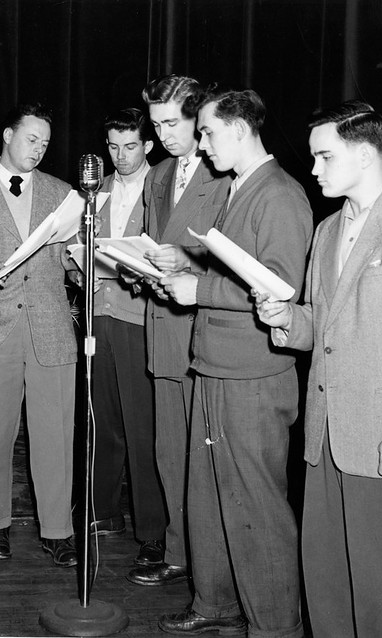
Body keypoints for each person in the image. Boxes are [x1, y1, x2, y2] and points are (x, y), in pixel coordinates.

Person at [255, 100, 382, 638]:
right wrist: (285, 319)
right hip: (326, 439)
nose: (315, 169)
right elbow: (323, 328)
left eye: (325, 157)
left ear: (367, 153)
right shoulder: (328, 230)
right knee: (329, 585)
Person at [158, 86, 312, 637]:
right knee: (208, 499)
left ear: (241, 130)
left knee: (256, 508)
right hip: (216, 366)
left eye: (208, 132)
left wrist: (195, 289)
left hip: (251, 376)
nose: (200, 145)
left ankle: (275, 624)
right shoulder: (239, 186)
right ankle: (216, 602)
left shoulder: (280, 195)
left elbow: (280, 286)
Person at [0, 103, 81, 567]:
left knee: (56, 433)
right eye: (31, 139)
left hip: (49, 327)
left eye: (46, 143)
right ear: (7, 135)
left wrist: (87, 261)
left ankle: (57, 529)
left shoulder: (64, 192)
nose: (38, 149)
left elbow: (70, 263)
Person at [128, 74, 230, 587]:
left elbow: (242, 263)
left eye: (173, 123)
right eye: (156, 124)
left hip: (209, 333)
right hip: (164, 332)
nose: (163, 135)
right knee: (170, 453)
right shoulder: (157, 176)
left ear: (200, 117)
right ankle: (177, 551)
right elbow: (151, 241)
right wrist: (131, 261)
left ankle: (212, 567)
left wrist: (184, 259)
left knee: (205, 459)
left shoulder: (229, 176)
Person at [87, 107, 167, 565]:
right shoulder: (96, 192)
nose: (120, 156)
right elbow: (70, 253)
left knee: (143, 428)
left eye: (130, 146)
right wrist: (81, 268)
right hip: (101, 318)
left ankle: (152, 529)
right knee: (104, 421)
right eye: (113, 147)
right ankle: (105, 512)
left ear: (148, 146)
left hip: (142, 320)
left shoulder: (161, 188)